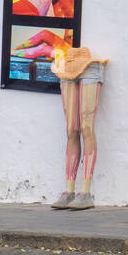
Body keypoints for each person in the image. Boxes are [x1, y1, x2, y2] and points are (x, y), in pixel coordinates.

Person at [51, 47, 107, 211]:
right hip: (67, 71)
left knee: (86, 127)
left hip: (90, 71)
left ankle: (85, 192)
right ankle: (69, 191)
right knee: (71, 130)